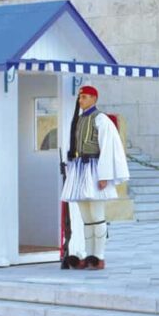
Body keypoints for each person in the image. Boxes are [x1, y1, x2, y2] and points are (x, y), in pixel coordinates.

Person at [61, 85, 129, 270]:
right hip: (80, 170)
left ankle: (99, 256)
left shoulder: (101, 119)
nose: (80, 100)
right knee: (86, 217)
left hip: (94, 169)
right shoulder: (79, 119)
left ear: (93, 99)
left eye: (84, 97)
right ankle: (88, 254)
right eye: (80, 97)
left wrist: (104, 175)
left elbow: (107, 148)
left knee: (97, 215)